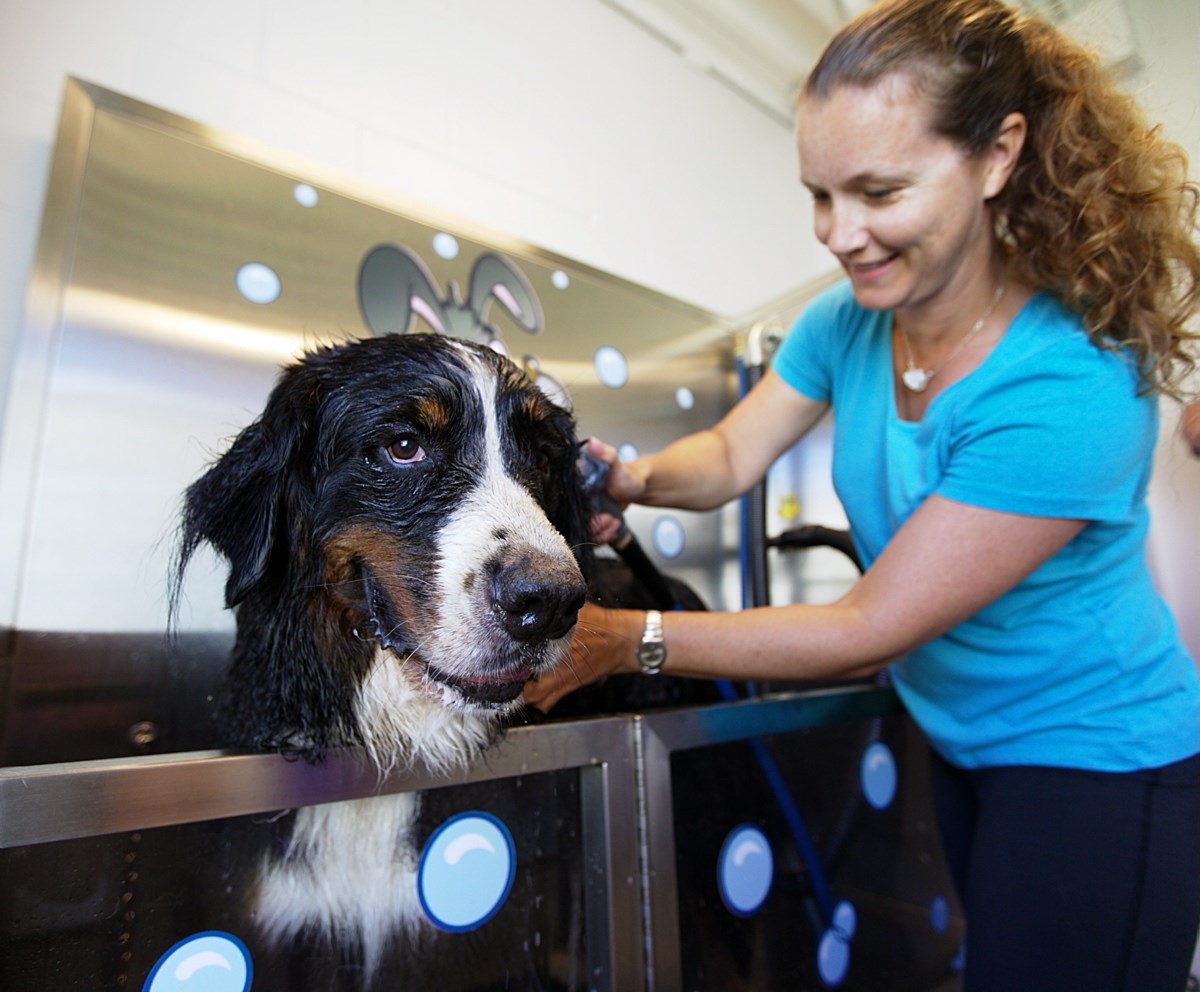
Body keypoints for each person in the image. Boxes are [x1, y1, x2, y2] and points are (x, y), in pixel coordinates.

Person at [524, 1, 1200, 989]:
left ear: (997, 156)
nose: (841, 234)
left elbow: (868, 624)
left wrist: (621, 637)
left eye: (879, 191)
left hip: (1099, 758)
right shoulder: (844, 323)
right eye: (820, 194)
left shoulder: (1073, 384)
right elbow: (728, 455)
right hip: (965, 739)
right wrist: (637, 476)